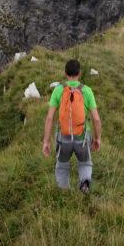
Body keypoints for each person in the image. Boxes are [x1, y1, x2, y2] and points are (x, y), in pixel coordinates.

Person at [41, 59, 102, 193]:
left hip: (64, 139)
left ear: (65, 73)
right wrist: (97, 139)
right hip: (82, 138)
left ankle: (63, 192)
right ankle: (85, 183)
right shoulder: (87, 91)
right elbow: (96, 119)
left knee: (62, 166)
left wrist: (46, 141)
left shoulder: (58, 90)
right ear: (79, 73)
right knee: (85, 163)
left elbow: (50, 117)